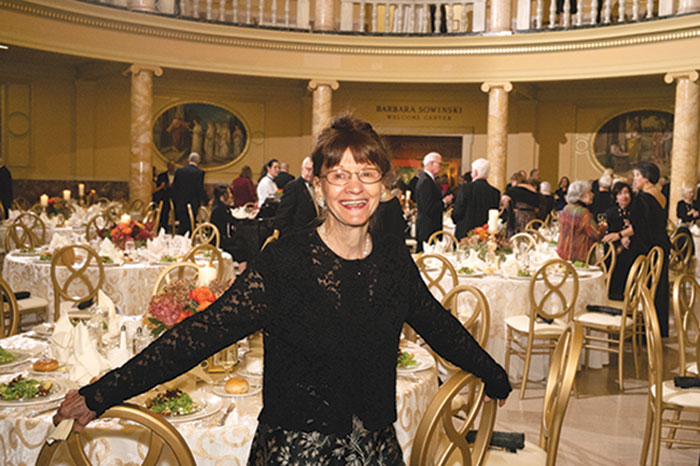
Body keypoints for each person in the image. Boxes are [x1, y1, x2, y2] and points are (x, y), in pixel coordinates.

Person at [53, 115, 512, 465]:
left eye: (367, 173)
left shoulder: (392, 259)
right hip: (294, 451)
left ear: (384, 185)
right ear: (318, 186)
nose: (354, 187)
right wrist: (103, 391)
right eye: (339, 175)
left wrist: (492, 371)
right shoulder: (286, 261)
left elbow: (438, 325)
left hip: (375, 448)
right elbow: (202, 333)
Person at [615, 162, 671, 337]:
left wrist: (619, 235)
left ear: (646, 178)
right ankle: (655, 328)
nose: (635, 179)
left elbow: (639, 227)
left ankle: (633, 324)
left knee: (625, 274)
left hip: (646, 247)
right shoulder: (660, 195)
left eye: (637, 175)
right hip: (661, 244)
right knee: (658, 287)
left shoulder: (642, 197)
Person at [601, 182, 637, 301]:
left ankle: (630, 294)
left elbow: (639, 229)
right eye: (620, 193)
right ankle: (614, 294)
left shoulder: (635, 211)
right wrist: (621, 241)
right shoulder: (610, 213)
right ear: (616, 197)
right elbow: (607, 234)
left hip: (633, 249)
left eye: (626, 192)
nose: (624, 196)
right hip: (614, 249)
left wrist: (626, 237)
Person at [556, 180, 607, 262]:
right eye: (589, 192)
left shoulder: (566, 208)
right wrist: (604, 226)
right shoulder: (584, 213)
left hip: (563, 255)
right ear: (580, 195)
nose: (592, 195)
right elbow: (596, 234)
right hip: (578, 258)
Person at [451, 158, 500, 240]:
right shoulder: (495, 192)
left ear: (475, 172)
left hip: (465, 234)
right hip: (484, 234)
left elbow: (458, 211)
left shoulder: (465, 188)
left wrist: (454, 219)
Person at [210, 184, 252, 273]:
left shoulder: (221, 207)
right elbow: (233, 221)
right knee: (243, 250)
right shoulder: (219, 209)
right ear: (222, 197)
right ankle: (243, 276)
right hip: (218, 241)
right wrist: (248, 219)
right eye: (228, 193)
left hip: (222, 238)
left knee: (242, 243)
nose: (231, 196)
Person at [415, 152, 453, 251]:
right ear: (431, 164)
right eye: (439, 164)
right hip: (428, 229)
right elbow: (428, 208)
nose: (441, 167)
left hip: (429, 228)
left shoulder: (428, 180)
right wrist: (444, 202)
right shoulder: (426, 182)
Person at [273, 157, 318, 237]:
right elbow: (282, 217)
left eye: (313, 170)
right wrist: (290, 238)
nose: (310, 173)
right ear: (302, 169)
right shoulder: (293, 186)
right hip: (298, 237)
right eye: (308, 169)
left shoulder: (316, 187)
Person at [172, 152, 206, 235]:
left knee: (182, 225)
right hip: (193, 203)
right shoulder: (199, 173)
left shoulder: (179, 171)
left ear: (188, 160)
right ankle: (190, 242)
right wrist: (204, 200)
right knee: (191, 224)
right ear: (198, 161)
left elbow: (174, 188)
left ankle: (180, 241)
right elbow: (199, 189)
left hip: (180, 203)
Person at [153, 161, 176, 230]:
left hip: (175, 197)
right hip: (165, 197)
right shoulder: (162, 175)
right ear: (168, 166)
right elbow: (159, 186)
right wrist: (165, 185)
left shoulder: (178, 175)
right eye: (170, 166)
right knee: (164, 214)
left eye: (173, 166)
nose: (172, 168)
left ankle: (174, 229)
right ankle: (163, 229)